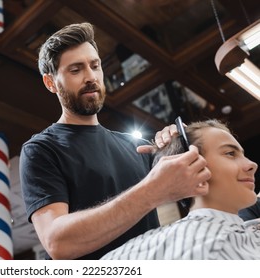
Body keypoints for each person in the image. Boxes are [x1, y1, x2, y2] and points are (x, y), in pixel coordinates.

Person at [19, 22, 210, 260]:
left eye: (95, 66)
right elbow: (58, 243)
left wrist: (177, 149)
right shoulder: (42, 150)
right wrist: (152, 190)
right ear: (51, 83)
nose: (90, 77)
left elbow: (195, 192)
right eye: (76, 70)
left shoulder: (136, 147)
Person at [101, 119, 260, 260]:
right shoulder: (215, 249)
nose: (252, 164)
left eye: (243, 154)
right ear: (191, 168)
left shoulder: (131, 252)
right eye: (230, 153)